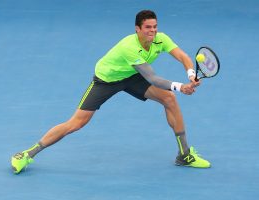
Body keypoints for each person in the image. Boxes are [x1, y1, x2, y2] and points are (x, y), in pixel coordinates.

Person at [11, 10, 210, 174]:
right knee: (76, 123)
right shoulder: (129, 47)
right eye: (148, 27)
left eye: (155, 27)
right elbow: (153, 79)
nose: (153, 31)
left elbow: (182, 55)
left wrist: (191, 74)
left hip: (132, 75)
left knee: (169, 99)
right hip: (106, 80)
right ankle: (27, 154)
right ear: (137, 28)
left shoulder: (161, 39)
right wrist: (180, 86)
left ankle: (184, 155)